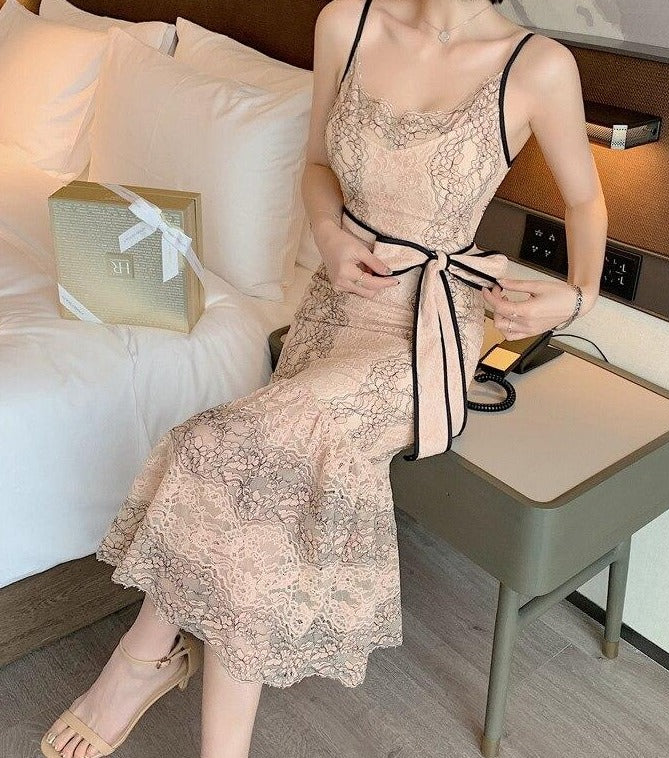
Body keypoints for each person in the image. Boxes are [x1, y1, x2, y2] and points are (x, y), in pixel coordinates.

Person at [41, 0, 607, 756]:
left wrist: (577, 296)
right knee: (262, 493)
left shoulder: (537, 66)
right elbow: (317, 166)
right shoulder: (348, 21)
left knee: (223, 443)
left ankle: (140, 661)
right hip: (336, 304)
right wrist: (330, 237)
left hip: (426, 333)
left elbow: (585, 201)